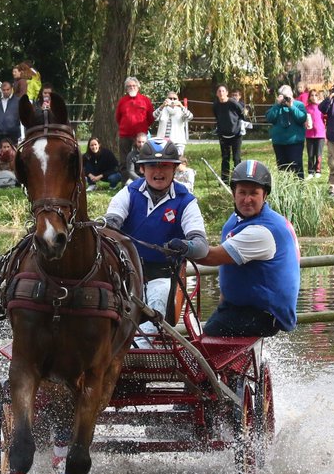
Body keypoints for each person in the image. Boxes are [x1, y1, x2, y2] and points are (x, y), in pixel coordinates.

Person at [167, 160, 299, 337]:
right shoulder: (238, 220)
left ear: (265, 195)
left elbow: (212, 258)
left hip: (262, 315)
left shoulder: (263, 231)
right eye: (242, 192)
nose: (247, 199)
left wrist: (184, 247)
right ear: (233, 193)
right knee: (201, 339)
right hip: (240, 308)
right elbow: (229, 268)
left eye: (254, 193)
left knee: (202, 349)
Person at [103, 139, 206, 338]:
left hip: (164, 276)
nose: (158, 171)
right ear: (142, 168)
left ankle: (145, 348)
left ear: (175, 168)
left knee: (156, 305)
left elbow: (201, 246)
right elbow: (111, 220)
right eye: (152, 165)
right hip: (126, 275)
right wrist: (112, 224)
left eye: (165, 165)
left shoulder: (186, 201)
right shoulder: (128, 192)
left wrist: (185, 245)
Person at [265, 84, 306, 178]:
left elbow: (302, 118)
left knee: (296, 167)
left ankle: (299, 189)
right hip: (279, 142)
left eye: (287, 96)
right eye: (283, 96)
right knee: (282, 168)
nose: (285, 99)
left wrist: (291, 106)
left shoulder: (298, 105)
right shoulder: (276, 106)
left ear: (291, 95)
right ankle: (285, 189)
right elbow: (270, 118)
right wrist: (277, 105)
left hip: (295, 142)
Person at [213, 84, 248, 182]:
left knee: (236, 158)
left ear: (227, 93)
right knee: (225, 158)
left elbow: (242, 114)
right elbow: (216, 116)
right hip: (223, 135)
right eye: (219, 91)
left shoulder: (233, 103)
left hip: (236, 134)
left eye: (223, 91)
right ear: (217, 93)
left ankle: (238, 178)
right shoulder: (216, 105)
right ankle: (224, 179)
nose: (221, 93)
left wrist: (238, 126)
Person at [115, 76, 154, 159]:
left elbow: (151, 117)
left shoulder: (145, 100)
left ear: (138, 87)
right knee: (124, 159)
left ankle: (141, 172)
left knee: (143, 157)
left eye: (134, 85)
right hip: (125, 136)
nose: (132, 87)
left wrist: (143, 128)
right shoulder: (122, 101)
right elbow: (118, 117)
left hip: (141, 136)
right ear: (126, 88)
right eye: (129, 86)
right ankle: (125, 172)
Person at [0, 80, 22, 167]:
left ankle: (14, 174)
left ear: (11, 89)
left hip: (12, 132)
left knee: (13, 154)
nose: (6, 92)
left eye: (7, 89)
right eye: (4, 90)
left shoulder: (18, 101)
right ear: (1, 90)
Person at [301, 86, 326, 179]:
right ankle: (310, 171)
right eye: (312, 95)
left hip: (320, 134)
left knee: (318, 153)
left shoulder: (321, 107)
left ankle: (318, 170)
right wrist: (305, 123)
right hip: (309, 134)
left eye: (316, 95)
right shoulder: (306, 108)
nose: (314, 97)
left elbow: (326, 118)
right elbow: (303, 118)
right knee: (310, 154)